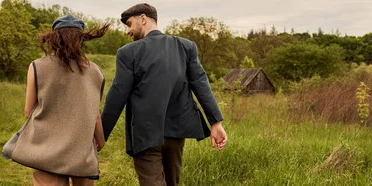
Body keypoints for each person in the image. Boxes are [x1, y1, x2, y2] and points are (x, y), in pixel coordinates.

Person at [101, 3, 228, 186]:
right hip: (177, 133)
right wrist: (216, 122)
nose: (128, 31)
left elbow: (117, 95)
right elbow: (200, 84)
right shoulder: (186, 47)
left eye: (129, 24)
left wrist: (101, 135)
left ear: (143, 18)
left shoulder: (128, 52)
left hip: (145, 134)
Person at [21, 14, 108, 186]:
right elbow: (94, 114)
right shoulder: (95, 71)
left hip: (47, 148)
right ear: (81, 39)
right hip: (81, 148)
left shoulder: (36, 66)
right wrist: (101, 140)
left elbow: (28, 111)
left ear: (54, 38)